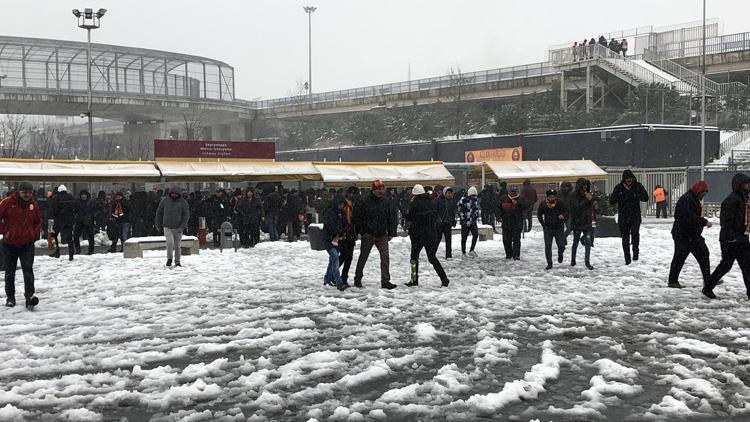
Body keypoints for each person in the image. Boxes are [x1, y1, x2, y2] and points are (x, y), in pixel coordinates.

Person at [705, 174, 750, 299]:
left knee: (744, 266)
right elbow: (726, 221)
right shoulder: (733, 200)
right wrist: (732, 237)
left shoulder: (743, 199)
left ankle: (707, 287)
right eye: (746, 184)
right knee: (727, 265)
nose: (748, 186)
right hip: (731, 239)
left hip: (741, 237)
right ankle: (707, 287)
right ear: (739, 185)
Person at [0, 181, 41, 309]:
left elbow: (37, 221)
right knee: (9, 272)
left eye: (29, 192)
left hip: (27, 244)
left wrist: (34, 234)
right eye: (24, 192)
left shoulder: (34, 205)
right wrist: (5, 231)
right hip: (9, 244)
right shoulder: (7, 202)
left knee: (28, 271)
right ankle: (10, 297)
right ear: (18, 192)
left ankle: (29, 296)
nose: (27, 195)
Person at [352, 180, 397, 289]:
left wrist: (392, 232)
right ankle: (358, 278)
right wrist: (361, 231)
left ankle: (385, 280)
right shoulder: (365, 202)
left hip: (382, 234)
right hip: (368, 234)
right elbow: (358, 217)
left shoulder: (386, 201)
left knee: (385, 257)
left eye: (382, 189)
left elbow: (392, 217)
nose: (381, 191)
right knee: (363, 256)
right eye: (379, 189)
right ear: (373, 190)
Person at [668, 181, 712, 289]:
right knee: (682, 257)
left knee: (701, 254)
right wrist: (703, 222)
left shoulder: (692, 199)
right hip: (684, 234)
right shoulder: (687, 199)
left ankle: (708, 280)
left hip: (690, 234)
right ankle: (673, 281)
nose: (703, 196)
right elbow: (688, 217)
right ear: (698, 191)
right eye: (703, 193)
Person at [405, 184, 450, 288]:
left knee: (414, 258)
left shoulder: (414, 203)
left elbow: (410, 218)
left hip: (418, 235)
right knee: (432, 257)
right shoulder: (431, 202)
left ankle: (414, 279)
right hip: (431, 234)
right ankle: (444, 278)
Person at [610, 170, 649, 265]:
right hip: (623, 216)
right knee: (625, 238)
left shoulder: (637, 186)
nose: (629, 180)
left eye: (630, 178)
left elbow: (646, 197)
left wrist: (636, 195)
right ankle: (627, 258)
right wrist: (618, 195)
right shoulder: (619, 188)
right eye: (627, 179)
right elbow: (612, 201)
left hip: (635, 215)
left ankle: (635, 252)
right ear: (624, 179)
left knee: (635, 234)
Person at [155, 187, 190, 267]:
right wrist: (158, 224)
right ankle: (169, 258)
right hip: (167, 226)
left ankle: (177, 261)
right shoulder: (165, 201)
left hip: (178, 228)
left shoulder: (183, 202)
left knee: (177, 245)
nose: (174, 195)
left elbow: (186, 215)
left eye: (176, 194)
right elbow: (159, 213)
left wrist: (182, 227)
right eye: (172, 193)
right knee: (170, 242)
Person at [323, 195, 349, 291]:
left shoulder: (341, 213)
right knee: (335, 260)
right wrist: (340, 232)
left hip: (336, 240)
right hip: (330, 240)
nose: (342, 206)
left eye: (343, 204)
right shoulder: (330, 213)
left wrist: (343, 231)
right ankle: (339, 282)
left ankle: (328, 279)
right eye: (340, 204)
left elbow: (345, 224)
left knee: (332, 261)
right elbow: (331, 226)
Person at [569, 178, 596, 270]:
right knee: (575, 242)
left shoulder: (588, 194)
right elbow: (577, 206)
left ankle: (587, 261)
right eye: (583, 185)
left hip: (587, 222)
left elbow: (593, 206)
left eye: (586, 185)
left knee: (588, 241)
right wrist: (586, 199)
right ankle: (573, 259)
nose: (585, 187)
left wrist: (591, 199)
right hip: (577, 222)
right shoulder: (574, 195)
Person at [538, 189, 567, 270]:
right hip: (548, 228)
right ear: (547, 197)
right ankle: (549, 263)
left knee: (561, 245)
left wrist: (563, 215)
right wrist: (543, 225)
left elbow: (567, 211)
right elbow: (539, 214)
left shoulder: (560, 203)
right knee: (548, 246)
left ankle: (560, 253)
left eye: (553, 196)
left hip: (559, 227)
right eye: (550, 197)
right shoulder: (543, 204)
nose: (552, 198)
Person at [499, 186, 529, 260]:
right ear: (509, 192)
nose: (512, 193)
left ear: (517, 192)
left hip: (517, 223)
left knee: (516, 240)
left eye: (514, 192)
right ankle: (509, 254)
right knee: (506, 240)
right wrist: (499, 216)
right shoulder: (503, 198)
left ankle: (516, 255)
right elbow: (498, 207)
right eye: (511, 192)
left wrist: (518, 203)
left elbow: (527, 205)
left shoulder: (521, 199)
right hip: (506, 223)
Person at [50, 185, 76, 260]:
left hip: (59, 221)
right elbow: (74, 208)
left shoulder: (56, 198)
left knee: (55, 235)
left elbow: (54, 210)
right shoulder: (70, 197)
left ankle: (57, 251)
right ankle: (71, 254)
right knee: (69, 238)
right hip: (68, 221)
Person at [338, 186, 358, 285]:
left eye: (354, 193)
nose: (352, 195)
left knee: (349, 257)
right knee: (344, 256)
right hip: (345, 233)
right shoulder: (343, 204)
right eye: (351, 193)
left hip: (350, 233)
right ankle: (334, 274)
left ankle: (343, 277)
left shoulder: (353, 204)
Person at [435, 186, 457, 260]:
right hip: (440, 224)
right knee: (437, 239)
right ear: (445, 193)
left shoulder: (452, 201)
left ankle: (448, 255)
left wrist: (453, 222)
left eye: (451, 193)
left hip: (448, 223)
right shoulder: (438, 200)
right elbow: (435, 211)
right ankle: (432, 253)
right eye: (448, 193)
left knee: (448, 240)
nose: (449, 195)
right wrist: (437, 219)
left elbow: (452, 213)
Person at [457, 186, 480, 258]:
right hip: (465, 222)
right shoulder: (463, 200)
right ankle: (463, 252)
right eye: (472, 196)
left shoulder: (475, 200)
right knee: (464, 237)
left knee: (475, 235)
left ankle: (471, 250)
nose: (473, 197)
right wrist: (463, 218)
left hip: (473, 221)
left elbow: (476, 209)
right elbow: (459, 210)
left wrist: (476, 216)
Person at [73, 190, 96, 255]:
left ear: (87, 195)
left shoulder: (91, 202)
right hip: (79, 221)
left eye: (84, 195)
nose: (83, 196)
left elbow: (95, 210)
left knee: (90, 236)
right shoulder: (77, 202)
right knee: (75, 235)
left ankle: (91, 250)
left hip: (88, 221)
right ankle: (78, 250)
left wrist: (91, 217)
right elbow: (74, 210)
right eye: (82, 195)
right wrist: (76, 215)